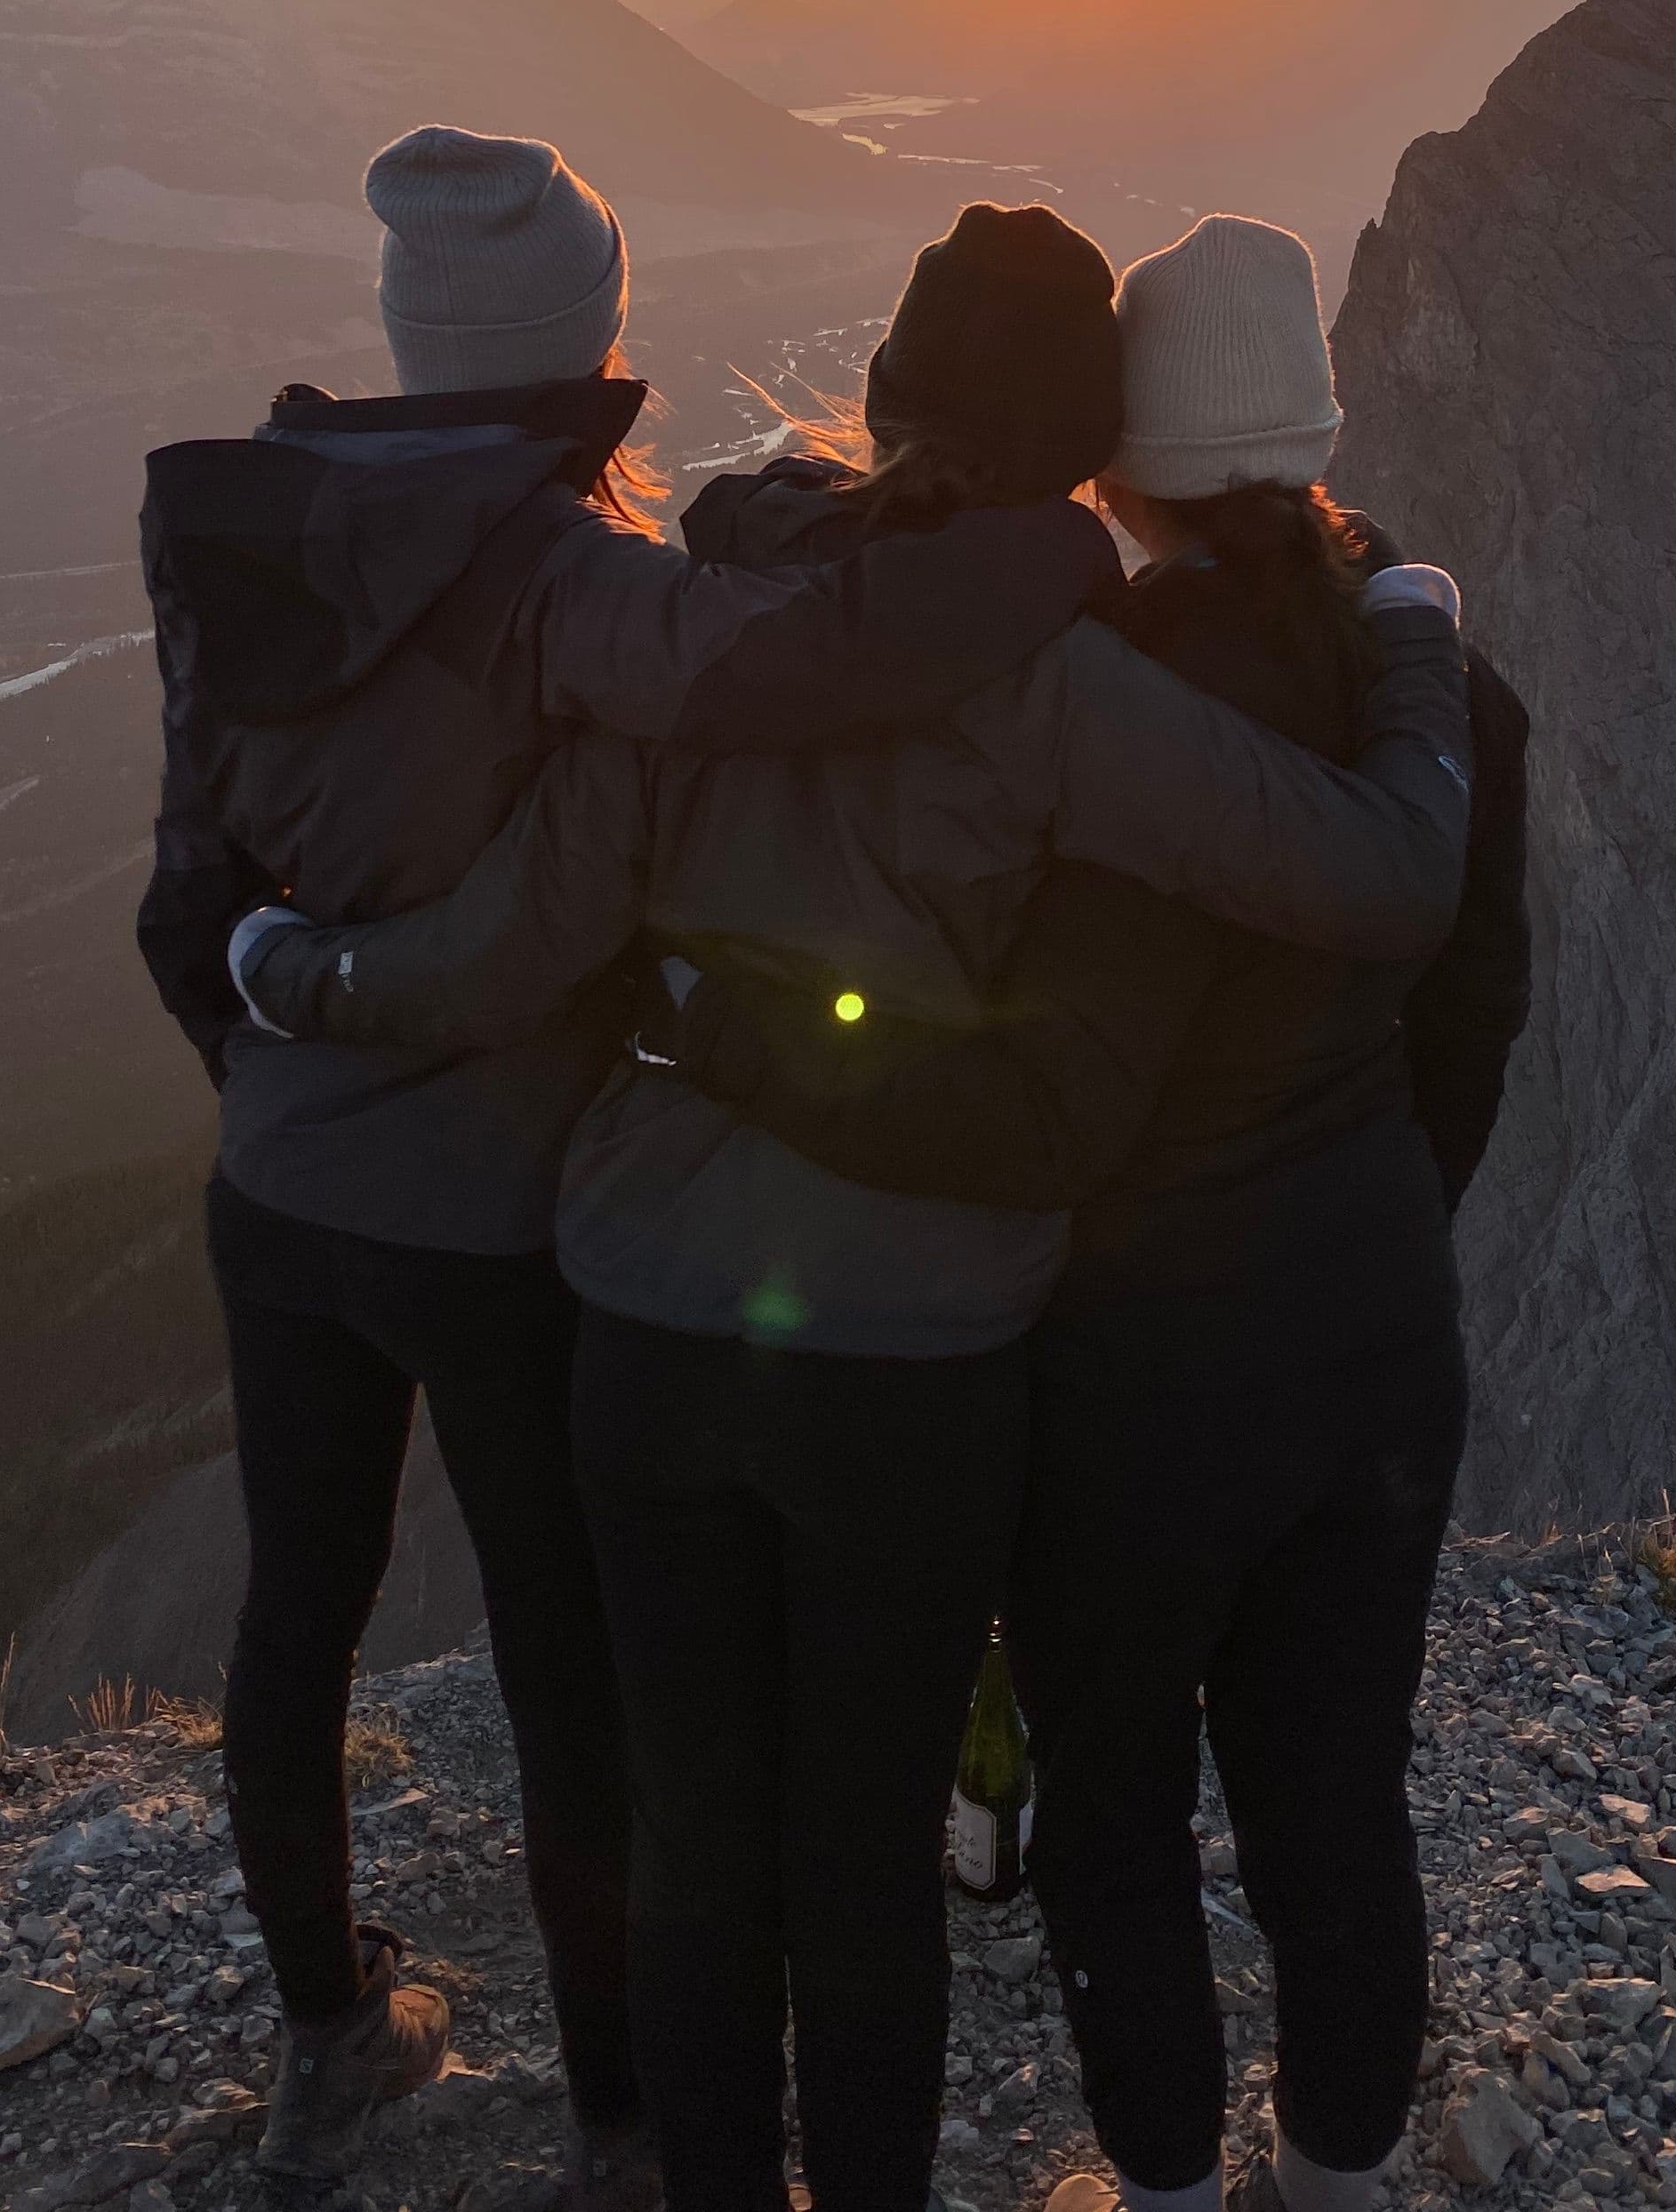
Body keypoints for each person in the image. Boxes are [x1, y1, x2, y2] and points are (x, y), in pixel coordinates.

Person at [230, 199, 1475, 2212]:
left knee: (705, 1846)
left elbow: (516, 945)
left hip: (645, 1332)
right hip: (910, 1368)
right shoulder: (1070, 692)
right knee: (865, 1866)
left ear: (886, 391)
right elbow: (1375, 882)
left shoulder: (696, 627)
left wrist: (292, 974)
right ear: (1090, 454)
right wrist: (1411, 638)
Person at [136, 132, 1133, 2207]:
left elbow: (191, 883)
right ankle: (614, 2118)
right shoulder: (565, 577)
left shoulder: (251, 522)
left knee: (293, 1616)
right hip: (499, 1211)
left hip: (280, 1179)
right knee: (571, 1686)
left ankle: (331, 2037)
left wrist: (270, 1006)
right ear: (578, 333)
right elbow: (798, 676)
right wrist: (1056, 548)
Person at [630, 215, 1533, 2212]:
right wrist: (1384, 1225)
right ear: (1306, 434)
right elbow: (1471, 1012)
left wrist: (746, 1041)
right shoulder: (1444, 695)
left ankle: (1177, 2191)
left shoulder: (1102, 699)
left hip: (1140, 1374)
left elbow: (1052, 1091)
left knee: (1118, 1809)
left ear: (1122, 464)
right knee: (1337, 1794)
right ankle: (1346, 2177)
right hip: (1378, 1332)